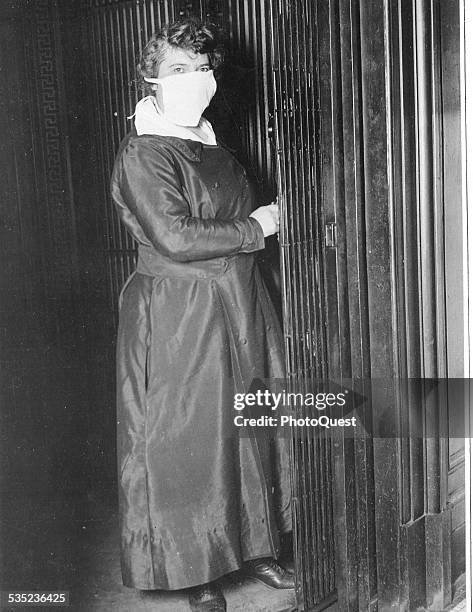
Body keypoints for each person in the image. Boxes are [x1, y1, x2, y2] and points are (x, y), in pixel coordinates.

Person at [110, 18, 293, 612]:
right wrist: (257, 228)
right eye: (177, 70)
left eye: (202, 68)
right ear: (150, 78)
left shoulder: (211, 141)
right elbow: (175, 237)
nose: (194, 81)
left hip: (236, 302)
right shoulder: (146, 151)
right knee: (187, 441)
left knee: (249, 424)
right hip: (179, 313)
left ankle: (254, 546)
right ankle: (196, 571)